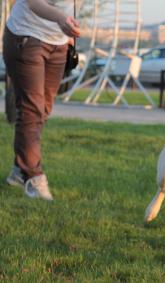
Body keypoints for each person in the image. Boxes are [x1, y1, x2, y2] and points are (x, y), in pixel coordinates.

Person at [3, 0, 80, 200]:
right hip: (26, 37)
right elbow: (33, 3)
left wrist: (70, 31)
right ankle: (34, 177)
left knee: (42, 110)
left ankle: (20, 170)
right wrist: (62, 19)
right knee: (32, 111)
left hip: (59, 42)